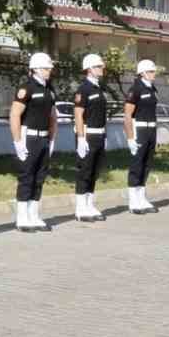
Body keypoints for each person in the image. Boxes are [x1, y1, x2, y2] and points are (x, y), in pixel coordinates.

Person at [11, 52, 58, 232]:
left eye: (49, 69)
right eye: (46, 68)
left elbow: (53, 116)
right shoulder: (26, 88)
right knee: (26, 177)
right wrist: (18, 142)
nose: (49, 71)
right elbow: (15, 115)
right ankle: (22, 217)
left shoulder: (49, 89)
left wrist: (52, 139)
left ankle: (34, 214)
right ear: (36, 69)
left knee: (39, 177)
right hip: (28, 137)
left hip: (44, 137)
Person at [72, 53, 110, 222]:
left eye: (101, 66)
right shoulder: (84, 89)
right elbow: (78, 115)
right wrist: (81, 137)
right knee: (85, 171)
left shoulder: (99, 88)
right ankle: (81, 207)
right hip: (88, 134)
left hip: (99, 134)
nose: (101, 69)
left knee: (94, 171)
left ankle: (90, 204)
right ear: (88, 69)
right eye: (97, 66)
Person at [123, 59, 160, 213]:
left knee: (147, 164)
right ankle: (133, 200)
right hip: (140, 129)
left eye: (154, 71)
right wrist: (130, 138)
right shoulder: (135, 89)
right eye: (151, 71)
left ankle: (142, 197)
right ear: (143, 73)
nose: (154, 74)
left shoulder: (152, 89)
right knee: (137, 165)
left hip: (151, 130)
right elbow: (127, 115)